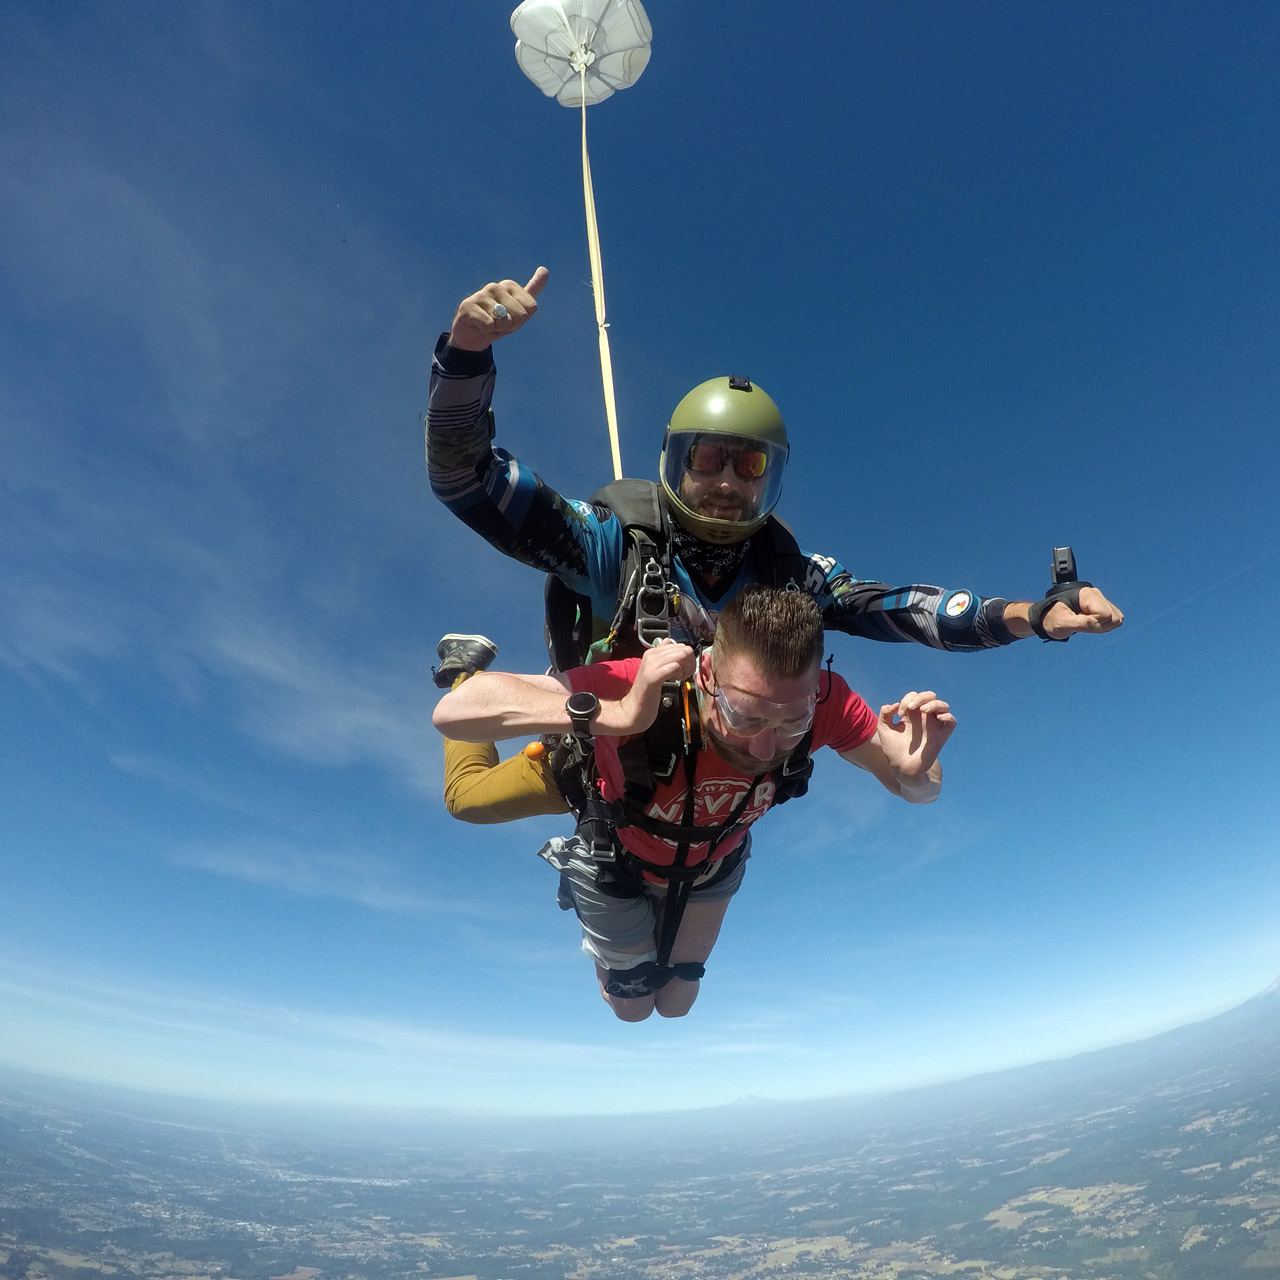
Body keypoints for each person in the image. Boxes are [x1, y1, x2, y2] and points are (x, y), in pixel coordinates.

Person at [425, 266, 1124, 825]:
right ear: (675, 463)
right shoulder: (615, 548)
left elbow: (902, 607)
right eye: (707, 459)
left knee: (666, 1001)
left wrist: (1030, 617)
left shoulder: (790, 577)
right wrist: (466, 354)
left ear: (773, 478)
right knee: (471, 802)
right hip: (604, 757)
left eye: (750, 464)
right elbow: (469, 480)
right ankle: (460, 667)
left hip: (724, 776)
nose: (728, 482)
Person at [433, 587, 956, 1021]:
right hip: (608, 825)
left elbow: (919, 789)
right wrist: (615, 716)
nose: (765, 748)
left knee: (677, 1002)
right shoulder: (647, 683)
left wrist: (914, 772)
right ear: (707, 678)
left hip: (709, 863)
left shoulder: (823, 701)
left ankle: (637, 938)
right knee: (631, 1006)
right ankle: (460, 662)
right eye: (745, 717)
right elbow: (457, 712)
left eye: (792, 725)